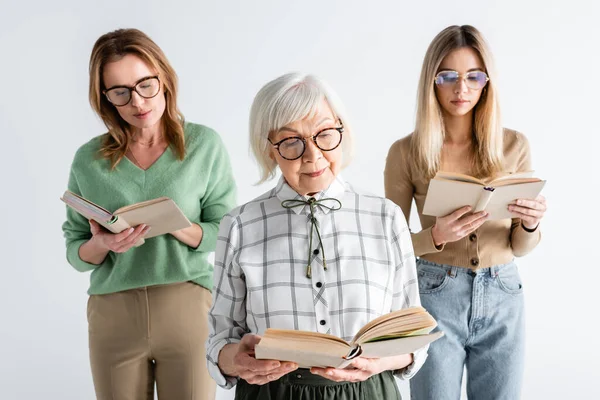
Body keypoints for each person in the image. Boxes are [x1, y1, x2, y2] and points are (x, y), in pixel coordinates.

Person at [206, 72, 426, 400]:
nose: (312, 155)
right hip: (273, 393)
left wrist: (379, 362)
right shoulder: (240, 224)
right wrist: (235, 361)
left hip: (367, 391)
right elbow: (219, 339)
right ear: (270, 149)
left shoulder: (385, 217)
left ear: (341, 129)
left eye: (324, 134)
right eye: (292, 142)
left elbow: (414, 339)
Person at [62, 28, 236, 400]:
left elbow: (226, 231)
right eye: (120, 92)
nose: (137, 102)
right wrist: (102, 243)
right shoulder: (88, 159)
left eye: (146, 85)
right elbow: (76, 252)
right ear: (105, 97)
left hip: (187, 304)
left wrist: (178, 226)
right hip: (113, 312)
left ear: (164, 79)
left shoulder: (204, 145)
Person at [384, 25, 547, 400]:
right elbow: (388, 246)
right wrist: (436, 236)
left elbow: (519, 247)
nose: (462, 89)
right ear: (432, 81)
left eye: (474, 76)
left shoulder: (513, 145)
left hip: (504, 290)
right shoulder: (406, 153)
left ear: (487, 81)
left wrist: (531, 222)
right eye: (448, 77)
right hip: (435, 292)